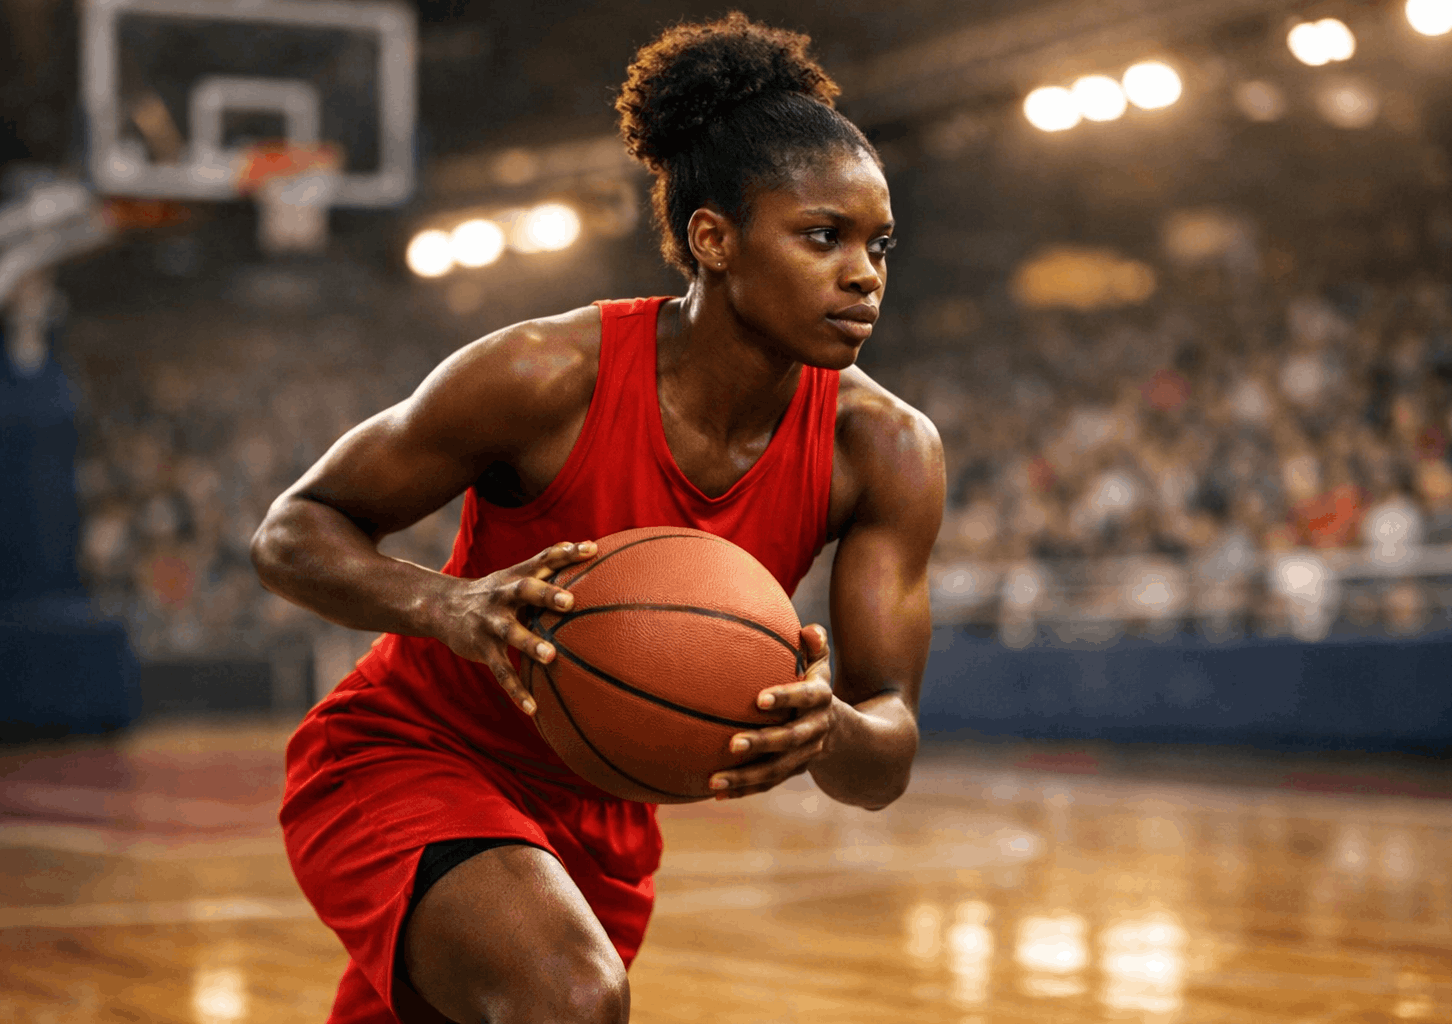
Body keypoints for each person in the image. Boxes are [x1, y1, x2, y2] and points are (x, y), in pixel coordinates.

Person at [251, 14, 944, 1024]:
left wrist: (823, 727)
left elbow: (886, 753)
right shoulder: (546, 374)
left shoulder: (885, 450)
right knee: (568, 997)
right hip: (412, 750)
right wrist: (452, 607)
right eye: (821, 237)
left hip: (604, 813)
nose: (864, 273)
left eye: (878, 245)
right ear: (713, 238)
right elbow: (293, 530)